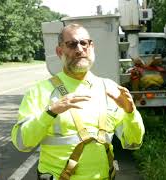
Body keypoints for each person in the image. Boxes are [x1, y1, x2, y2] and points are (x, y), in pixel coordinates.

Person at [11, 23, 145, 180]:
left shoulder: (110, 89)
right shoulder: (40, 91)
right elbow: (22, 142)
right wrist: (50, 112)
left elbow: (133, 142)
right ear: (59, 51)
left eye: (84, 43)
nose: (79, 49)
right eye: (72, 44)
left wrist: (130, 113)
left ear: (91, 47)